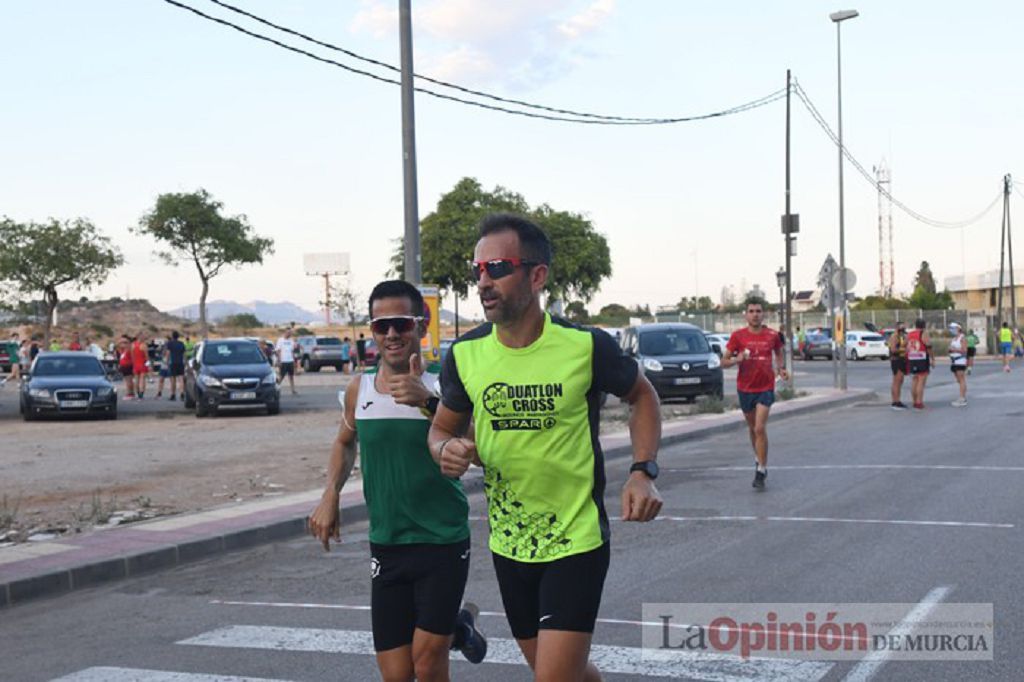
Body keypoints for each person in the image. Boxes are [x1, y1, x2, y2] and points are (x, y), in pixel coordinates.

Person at [428, 214, 663, 682]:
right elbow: (439, 431)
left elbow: (643, 396)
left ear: (537, 275)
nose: (483, 281)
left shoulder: (585, 346)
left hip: (575, 539)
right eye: (478, 270)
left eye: (497, 267)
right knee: (557, 671)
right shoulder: (466, 355)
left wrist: (642, 470)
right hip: (509, 542)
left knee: (553, 678)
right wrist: (446, 450)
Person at [308, 280, 487, 681]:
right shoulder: (361, 388)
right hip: (387, 544)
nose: (391, 334)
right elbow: (344, 442)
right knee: (396, 674)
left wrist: (427, 401)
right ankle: (456, 627)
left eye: (402, 324)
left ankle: (447, 630)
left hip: (442, 539)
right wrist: (330, 495)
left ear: (421, 327)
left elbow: (478, 445)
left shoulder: (448, 384)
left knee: (427, 662)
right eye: (381, 325)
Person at [722, 299, 788, 489]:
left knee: (760, 428)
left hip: (765, 387)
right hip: (745, 388)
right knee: (752, 429)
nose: (755, 314)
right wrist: (737, 359)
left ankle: (761, 469)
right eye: (751, 311)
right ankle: (758, 458)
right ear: (746, 315)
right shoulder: (738, 336)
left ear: (763, 314)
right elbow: (723, 361)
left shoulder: (772, 335)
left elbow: (779, 351)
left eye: (758, 311)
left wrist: (781, 368)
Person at [907, 319, 933, 409]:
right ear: (924, 325)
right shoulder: (924, 333)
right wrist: (932, 358)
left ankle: (914, 401)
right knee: (921, 381)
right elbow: (928, 346)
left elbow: (907, 346)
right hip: (921, 358)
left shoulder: (909, 334)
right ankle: (919, 402)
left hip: (912, 358)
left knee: (914, 380)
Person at [888, 323, 909, 410]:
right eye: (901, 327)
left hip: (901, 360)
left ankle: (897, 400)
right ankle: (895, 402)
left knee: (899, 381)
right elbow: (893, 350)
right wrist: (904, 348)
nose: (903, 329)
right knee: (897, 381)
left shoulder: (901, 336)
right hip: (896, 361)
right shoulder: (894, 337)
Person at [948, 322, 968, 407]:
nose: (951, 330)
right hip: (954, 361)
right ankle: (962, 395)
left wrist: (955, 350)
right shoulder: (953, 339)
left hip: (960, 361)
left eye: (953, 328)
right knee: (958, 380)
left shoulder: (962, 338)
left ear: (958, 328)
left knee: (961, 379)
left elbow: (964, 350)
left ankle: (962, 398)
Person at [165, 331, 187, 401]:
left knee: (173, 380)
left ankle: (173, 394)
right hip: (180, 363)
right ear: (178, 336)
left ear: (172, 336)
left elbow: (168, 353)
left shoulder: (170, 343)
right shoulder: (181, 343)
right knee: (181, 379)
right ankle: (182, 393)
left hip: (173, 363)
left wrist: (167, 361)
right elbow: (184, 354)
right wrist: (185, 362)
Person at [275, 329, 299, 394]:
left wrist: (294, 361)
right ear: (285, 333)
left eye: (290, 333)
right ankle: (275, 388)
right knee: (281, 376)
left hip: (290, 360)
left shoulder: (291, 341)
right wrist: (279, 360)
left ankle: (293, 389)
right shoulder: (280, 340)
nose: (289, 334)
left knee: (291, 376)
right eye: (288, 333)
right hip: (283, 361)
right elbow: (278, 350)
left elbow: (292, 351)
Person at [132, 333, 150, 399]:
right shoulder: (143, 345)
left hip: (135, 364)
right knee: (142, 379)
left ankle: (137, 392)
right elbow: (147, 356)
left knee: (136, 379)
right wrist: (148, 365)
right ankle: (141, 393)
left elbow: (132, 356)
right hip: (142, 364)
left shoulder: (133, 345)